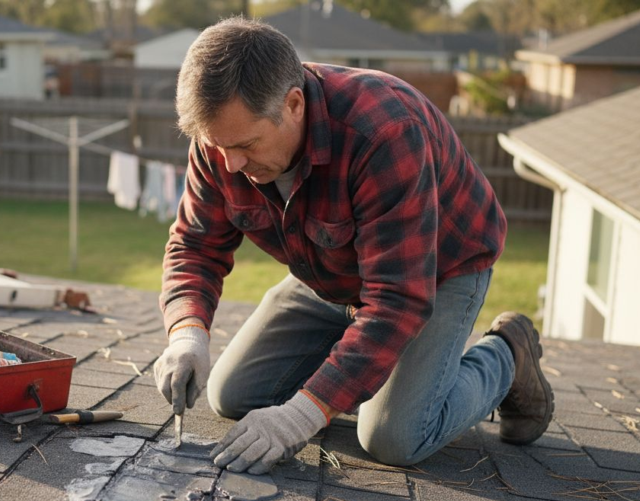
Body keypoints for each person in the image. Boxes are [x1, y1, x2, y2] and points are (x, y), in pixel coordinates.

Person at [153, 17, 553, 475]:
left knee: (392, 438)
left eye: (246, 145)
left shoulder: (384, 131)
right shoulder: (223, 137)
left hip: (436, 270)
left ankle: (506, 353)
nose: (231, 163)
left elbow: (398, 300)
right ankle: (353, 364)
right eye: (216, 146)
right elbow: (195, 245)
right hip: (330, 271)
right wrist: (188, 338)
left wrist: (300, 416)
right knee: (232, 396)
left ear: (294, 104)